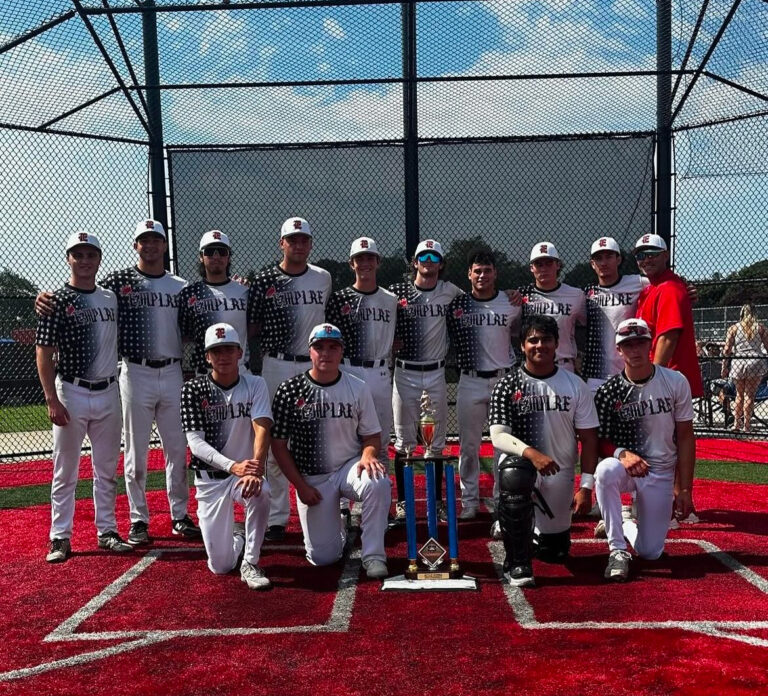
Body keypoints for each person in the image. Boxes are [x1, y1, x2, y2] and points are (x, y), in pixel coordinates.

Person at [36, 219, 200, 545]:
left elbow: (196, 319)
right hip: (134, 371)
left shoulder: (180, 285)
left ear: (164, 245)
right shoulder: (118, 282)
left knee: (176, 448)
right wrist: (41, 298)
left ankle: (179, 515)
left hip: (172, 370)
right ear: (135, 245)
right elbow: (78, 291)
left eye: (155, 240)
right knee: (135, 453)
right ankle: (138, 520)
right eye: (144, 240)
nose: (150, 245)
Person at [36, 231, 132, 562]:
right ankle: (59, 536)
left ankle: (107, 531)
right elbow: (44, 351)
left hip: (108, 390)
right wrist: (51, 398)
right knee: (66, 470)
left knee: (106, 469)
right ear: (69, 259)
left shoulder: (110, 297)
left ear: (99, 259)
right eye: (78, 255)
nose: (85, 260)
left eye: (91, 254)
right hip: (72, 390)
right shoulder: (56, 300)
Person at [270, 323, 391, 579]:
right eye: (319, 347)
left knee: (378, 481)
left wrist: (368, 454)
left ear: (341, 351)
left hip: (349, 467)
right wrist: (300, 486)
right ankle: (339, 530)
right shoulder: (289, 390)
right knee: (322, 558)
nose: (326, 353)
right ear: (310, 351)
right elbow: (278, 446)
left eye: (333, 347)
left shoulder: (357, 387)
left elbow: (371, 435)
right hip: (313, 478)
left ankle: (374, 555)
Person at [489, 315, 599, 587]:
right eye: (533, 340)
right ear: (522, 346)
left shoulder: (575, 384)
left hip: (558, 472)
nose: (540, 345)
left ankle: (535, 533)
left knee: (555, 553)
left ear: (557, 343)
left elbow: (589, 438)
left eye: (546, 339)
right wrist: (532, 454)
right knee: (514, 473)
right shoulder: (508, 384)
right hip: (523, 467)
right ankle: (517, 562)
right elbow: (498, 436)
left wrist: (586, 487)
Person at [248, 217, 332, 542]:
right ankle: (277, 517)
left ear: (310, 244)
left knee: (319, 435)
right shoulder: (265, 280)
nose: (298, 245)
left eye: (303, 240)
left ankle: (327, 505)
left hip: (313, 366)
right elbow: (252, 326)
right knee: (273, 439)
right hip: (277, 364)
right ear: (281, 243)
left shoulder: (323, 278)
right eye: (292, 240)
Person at [593, 318, 695, 582]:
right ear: (619, 350)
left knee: (650, 552)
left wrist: (684, 489)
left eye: (640, 343)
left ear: (651, 344)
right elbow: (599, 440)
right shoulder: (608, 391)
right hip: (627, 468)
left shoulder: (675, 381)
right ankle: (617, 549)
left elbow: (685, 436)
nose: (635, 350)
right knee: (605, 470)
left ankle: (625, 522)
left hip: (660, 470)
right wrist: (621, 453)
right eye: (628, 345)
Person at [180, 323, 273, 590]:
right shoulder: (193, 389)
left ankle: (251, 562)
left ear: (240, 353)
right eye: (216, 351)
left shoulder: (255, 384)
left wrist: (255, 470)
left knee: (262, 491)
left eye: (229, 350)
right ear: (207, 356)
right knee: (220, 566)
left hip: (243, 476)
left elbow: (262, 426)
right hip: (211, 479)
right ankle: (238, 538)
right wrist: (234, 466)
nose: (223, 356)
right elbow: (195, 443)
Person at [389, 240, 462, 522]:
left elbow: (478, 298)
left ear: (441, 263)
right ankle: (404, 502)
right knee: (404, 441)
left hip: (435, 373)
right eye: (423, 257)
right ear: (415, 262)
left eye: (434, 257)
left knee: (435, 442)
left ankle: (437, 501)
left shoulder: (449, 291)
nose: (428, 262)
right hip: (404, 372)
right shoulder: (397, 292)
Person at [447, 248, 521, 520]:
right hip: (470, 380)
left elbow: (519, 332)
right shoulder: (457, 305)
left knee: (503, 445)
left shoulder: (511, 302)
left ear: (495, 273)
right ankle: (469, 501)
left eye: (487, 271)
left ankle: (502, 498)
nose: (482, 275)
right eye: (477, 271)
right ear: (469, 274)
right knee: (469, 446)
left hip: (503, 380)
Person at [326, 237, 397, 464]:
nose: (365, 263)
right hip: (349, 369)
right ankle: (348, 487)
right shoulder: (339, 299)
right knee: (348, 437)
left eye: (369, 258)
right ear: (351, 263)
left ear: (378, 262)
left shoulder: (391, 299)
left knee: (381, 438)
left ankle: (381, 485)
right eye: (359, 259)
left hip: (379, 370)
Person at [634, 233, 704, 399]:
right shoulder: (651, 289)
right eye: (641, 256)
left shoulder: (670, 288)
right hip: (663, 377)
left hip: (668, 380)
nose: (646, 260)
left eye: (652, 254)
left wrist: (652, 382)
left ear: (666, 255)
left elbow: (667, 338)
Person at [178, 230, 252, 376]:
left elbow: (254, 327)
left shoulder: (245, 291)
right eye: (210, 252)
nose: (216, 256)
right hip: (205, 373)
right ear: (201, 257)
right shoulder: (190, 294)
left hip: (240, 370)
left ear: (228, 257)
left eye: (222, 252)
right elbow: (185, 335)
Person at [582, 237, 649, 391]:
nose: (604, 263)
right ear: (592, 264)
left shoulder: (638, 282)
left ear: (618, 259)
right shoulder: (588, 294)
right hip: (597, 374)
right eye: (599, 258)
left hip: (631, 369)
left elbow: (665, 287)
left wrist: (686, 289)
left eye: (609, 257)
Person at [520, 242, 586, 373]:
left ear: (558, 265)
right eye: (539, 264)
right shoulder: (522, 295)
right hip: (532, 366)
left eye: (548, 263)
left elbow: (586, 326)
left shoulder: (576, 295)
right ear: (531, 268)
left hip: (563, 364)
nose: (544, 269)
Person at [722, 304, 768, 432]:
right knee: (750, 395)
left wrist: (724, 366)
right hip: (755, 362)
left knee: (739, 395)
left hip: (739, 361)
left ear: (741, 314)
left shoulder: (733, 328)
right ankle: (747, 425)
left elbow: (727, 349)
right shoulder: (761, 328)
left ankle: (736, 423)